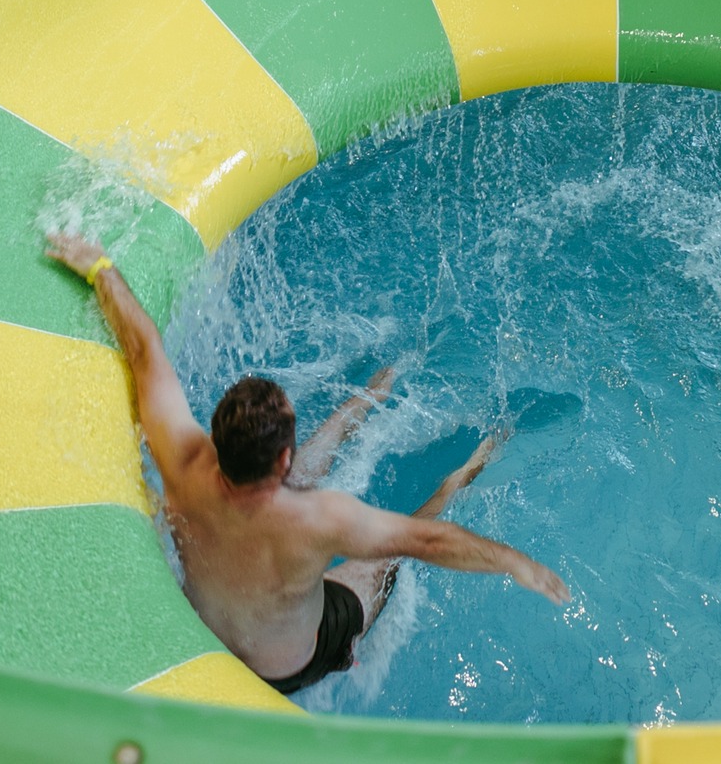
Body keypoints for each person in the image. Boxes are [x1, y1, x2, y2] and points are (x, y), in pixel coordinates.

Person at [46, 232, 570, 695]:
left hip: (203, 631)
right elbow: (429, 541)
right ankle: (463, 470)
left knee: (286, 490)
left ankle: (366, 400)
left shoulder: (184, 458)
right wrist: (512, 561)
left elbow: (144, 350)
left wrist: (100, 269)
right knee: (389, 556)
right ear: (282, 457)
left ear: (217, 432)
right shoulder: (317, 520)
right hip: (290, 667)